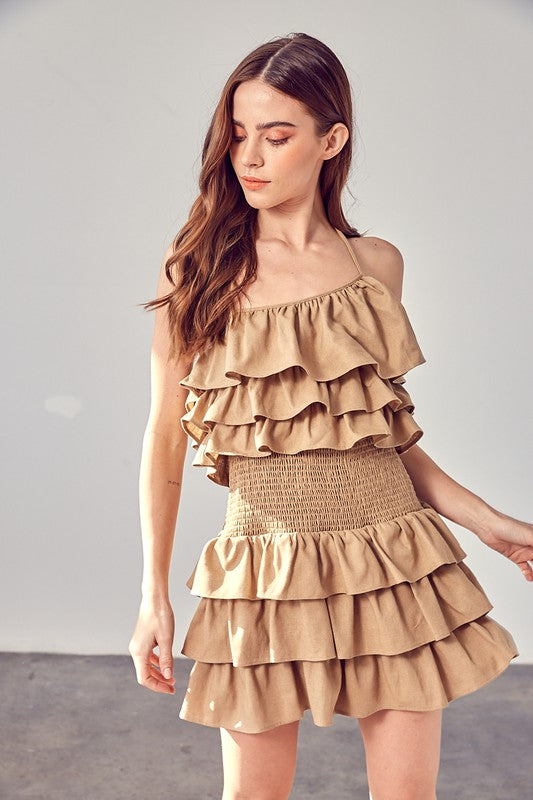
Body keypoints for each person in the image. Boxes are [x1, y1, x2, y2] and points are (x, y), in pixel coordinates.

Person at [128, 32, 531, 800]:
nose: (250, 156)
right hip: (263, 568)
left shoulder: (374, 265)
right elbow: (163, 443)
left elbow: (377, 439)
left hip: (392, 564)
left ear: (330, 139)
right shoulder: (200, 268)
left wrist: (488, 522)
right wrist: (153, 596)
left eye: (276, 137)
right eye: (239, 134)